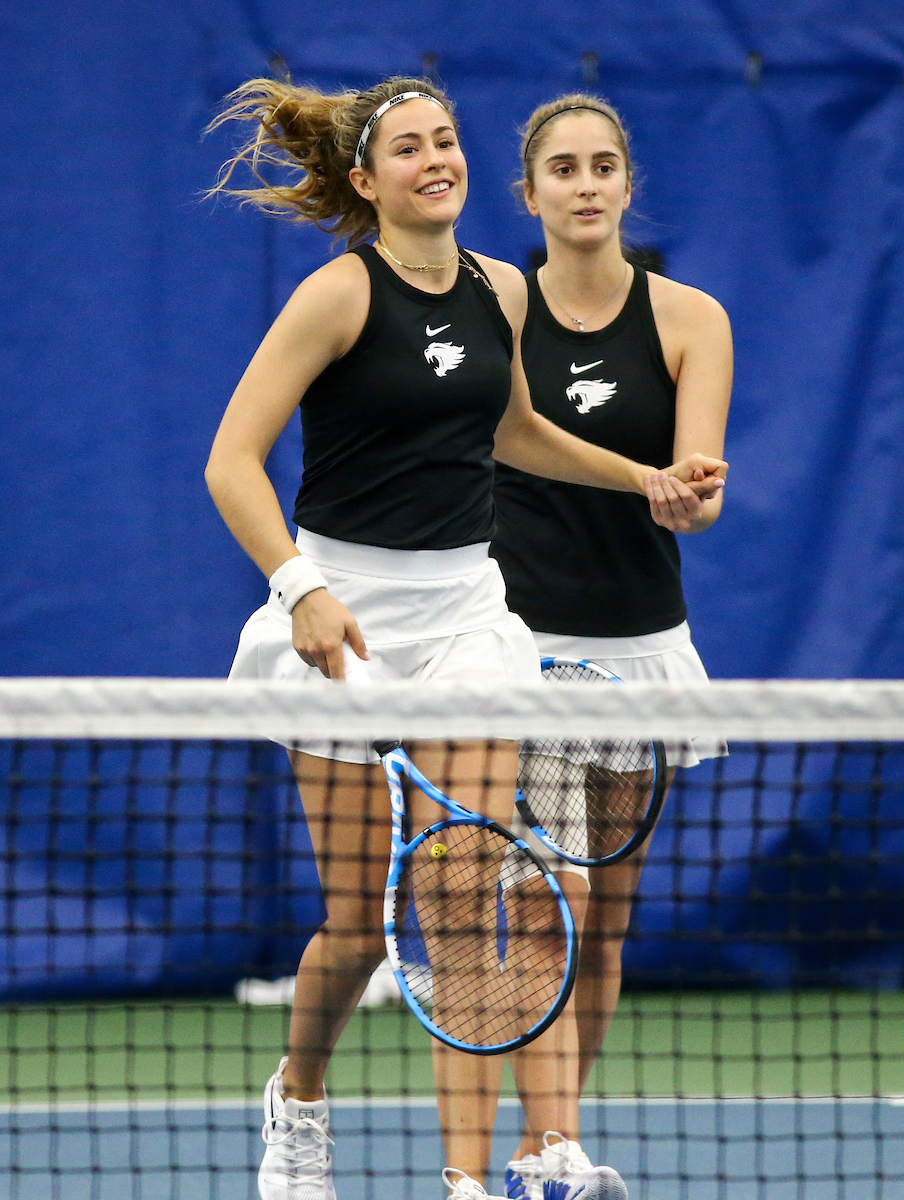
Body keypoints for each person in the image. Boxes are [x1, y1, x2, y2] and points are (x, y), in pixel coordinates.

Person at [203, 77, 726, 1200]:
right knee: (353, 925)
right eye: (408, 149)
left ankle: (483, 1178)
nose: (435, 160)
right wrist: (297, 588)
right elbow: (229, 462)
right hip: (340, 618)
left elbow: (519, 431)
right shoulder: (335, 298)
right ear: (365, 180)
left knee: (468, 881)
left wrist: (645, 477)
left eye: (446, 141)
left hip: (472, 623)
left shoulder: (502, 290)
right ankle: (298, 1098)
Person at [489, 94, 732, 1200]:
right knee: (555, 904)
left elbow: (696, 481)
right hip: (523, 651)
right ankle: (547, 1152)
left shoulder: (692, 319)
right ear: (528, 193)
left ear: (628, 185)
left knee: (612, 918)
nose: (585, 186)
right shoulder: (494, 311)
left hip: (642, 652)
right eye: (562, 170)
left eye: (603, 167)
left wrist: (687, 499)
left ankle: (560, 1137)